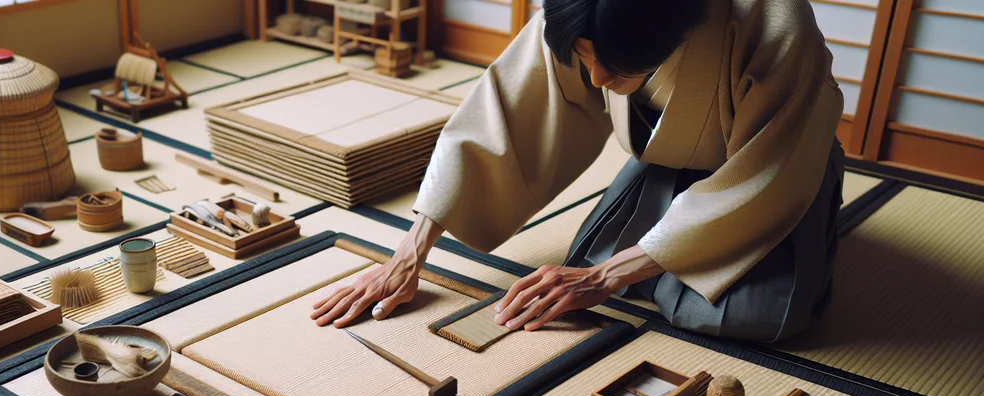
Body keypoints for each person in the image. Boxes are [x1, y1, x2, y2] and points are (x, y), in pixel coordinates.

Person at [312, 0, 845, 342]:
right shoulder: (582, 8)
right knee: (582, 266)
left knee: (743, 317)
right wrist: (408, 254)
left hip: (768, 169)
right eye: (586, 61)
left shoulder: (775, 24)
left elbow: (774, 170)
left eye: (614, 66)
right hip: (671, 150)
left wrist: (605, 277)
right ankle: (659, 243)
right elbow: (502, 113)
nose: (595, 78)